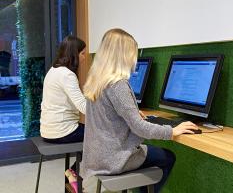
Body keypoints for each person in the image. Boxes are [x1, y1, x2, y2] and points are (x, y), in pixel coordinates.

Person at [81, 28, 198, 193]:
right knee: (168, 157)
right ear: (123, 55)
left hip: (97, 156)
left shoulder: (97, 81)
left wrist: (133, 114)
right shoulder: (118, 84)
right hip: (114, 159)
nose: (134, 60)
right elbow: (140, 128)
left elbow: (109, 113)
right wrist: (172, 131)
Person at [40, 36, 87, 191]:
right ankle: (73, 171)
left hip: (48, 130)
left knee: (90, 132)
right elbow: (83, 107)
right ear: (74, 54)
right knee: (101, 135)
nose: (84, 57)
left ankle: (73, 171)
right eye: (82, 54)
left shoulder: (53, 70)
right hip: (62, 131)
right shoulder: (67, 75)